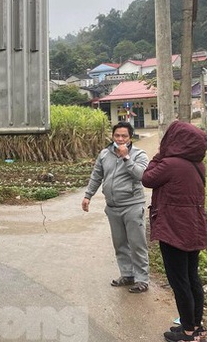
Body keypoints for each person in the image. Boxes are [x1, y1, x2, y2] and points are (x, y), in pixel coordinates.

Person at [142, 121, 207, 342]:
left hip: (174, 228)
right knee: (192, 278)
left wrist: (159, 155)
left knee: (179, 281)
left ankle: (187, 332)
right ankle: (197, 327)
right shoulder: (198, 165)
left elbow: (147, 179)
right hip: (195, 227)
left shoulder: (169, 163)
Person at [82, 121, 150, 293]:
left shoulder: (139, 154)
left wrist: (126, 157)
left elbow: (141, 175)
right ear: (112, 136)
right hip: (112, 206)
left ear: (130, 137)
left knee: (137, 244)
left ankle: (142, 279)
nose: (120, 139)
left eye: (124, 136)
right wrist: (88, 195)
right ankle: (127, 275)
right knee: (120, 243)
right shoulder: (105, 154)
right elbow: (96, 175)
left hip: (132, 206)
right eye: (117, 136)